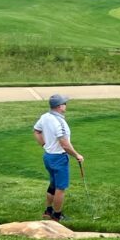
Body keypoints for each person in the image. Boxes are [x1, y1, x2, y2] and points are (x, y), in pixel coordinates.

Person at [33, 94, 84, 222]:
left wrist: (44, 144)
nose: (66, 105)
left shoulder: (45, 117)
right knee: (60, 188)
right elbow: (64, 144)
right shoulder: (60, 123)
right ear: (60, 106)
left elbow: (37, 131)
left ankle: (48, 211)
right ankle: (57, 215)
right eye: (65, 103)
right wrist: (77, 155)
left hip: (48, 157)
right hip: (59, 158)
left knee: (53, 184)